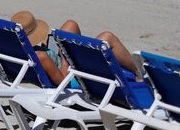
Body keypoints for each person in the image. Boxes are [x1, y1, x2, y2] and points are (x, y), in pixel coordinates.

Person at [10, 10, 140, 85]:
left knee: (70, 24)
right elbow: (63, 82)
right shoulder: (41, 56)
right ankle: (138, 72)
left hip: (59, 64)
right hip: (75, 76)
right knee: (107, 38)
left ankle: (131, 67)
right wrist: (66, 55)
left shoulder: (14, 52)